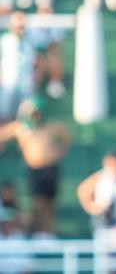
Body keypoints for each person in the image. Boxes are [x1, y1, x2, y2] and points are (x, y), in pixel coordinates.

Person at [0, 100, 71, 235]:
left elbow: (66, 136)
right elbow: (3, 134)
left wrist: (60, 151)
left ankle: (47, 232)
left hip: (51, 168)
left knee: (50, 202)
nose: (35, 116)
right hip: (35, 169)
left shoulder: (51, 126)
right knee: (38, 202)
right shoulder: (21, 127)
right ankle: (38, 231)